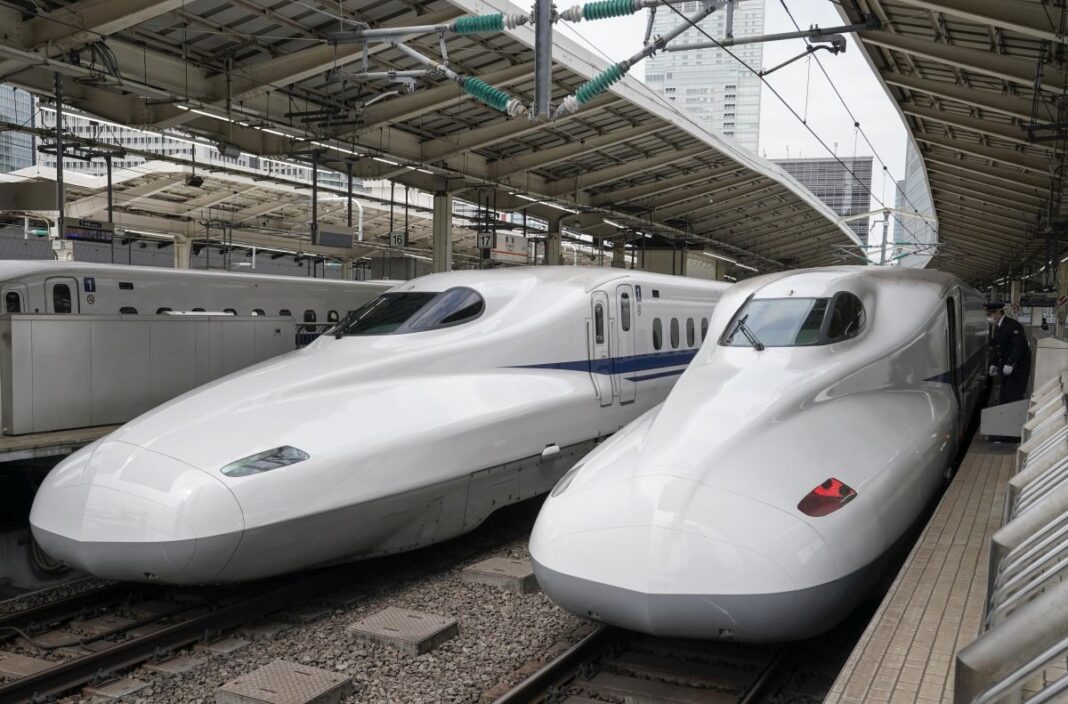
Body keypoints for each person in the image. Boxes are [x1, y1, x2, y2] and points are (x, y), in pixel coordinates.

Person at [986, 302, 1031, 404]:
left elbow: (1019, 347)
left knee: (1012, 399)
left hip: (1017, 370)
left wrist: (1010, 363)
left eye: (990, 315)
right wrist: (995, 363)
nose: (989, 317)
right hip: (1007, 369)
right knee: (1004, 397)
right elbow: (999, 347)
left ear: (998, 312)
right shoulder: (999, 327)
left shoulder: (1013, 326)